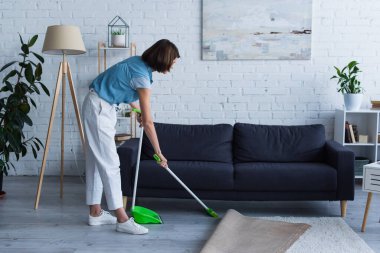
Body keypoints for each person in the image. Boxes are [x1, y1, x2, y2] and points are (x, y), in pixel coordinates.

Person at [82, 39, 180, 235]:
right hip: (100, 109)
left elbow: (121, 86)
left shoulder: (137, 62)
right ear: (164, 59)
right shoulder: (142, 77)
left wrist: (136, 110)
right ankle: (122, 218)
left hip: (99, 105)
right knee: (110, 164)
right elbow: (149, 123)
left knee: (96, 160)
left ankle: (95, 213)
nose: (173, 65)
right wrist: (159, 153)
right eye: (173, 61)